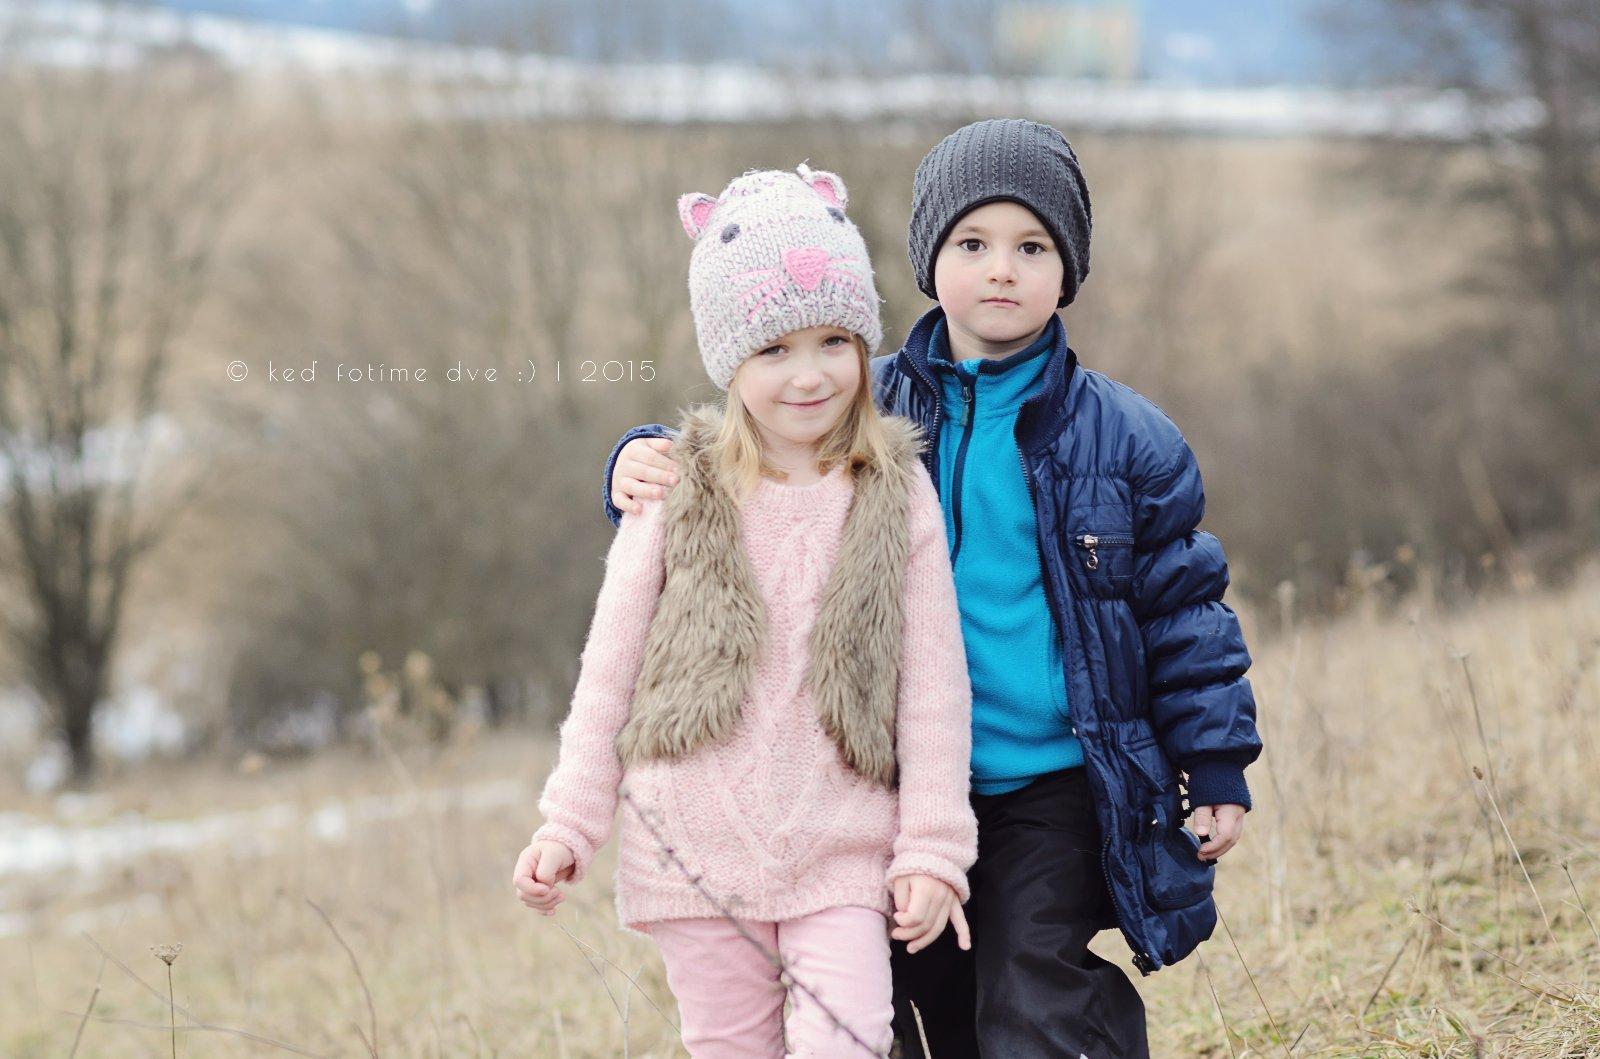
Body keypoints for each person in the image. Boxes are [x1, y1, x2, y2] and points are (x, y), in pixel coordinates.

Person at [601, 119, 1265, 1058]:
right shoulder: (862, 403)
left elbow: (1186, 612)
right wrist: (637, 458)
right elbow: (747, 439)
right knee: (928, 1007)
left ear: (1068, 269)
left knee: (1031, 985)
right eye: (972, 243)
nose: (1001, 270)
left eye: (1032, 247)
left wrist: (1216, 762)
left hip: (1053, 779)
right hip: (894, 785)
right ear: (928, 260)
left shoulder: (1123, 437)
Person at [512, 163, 978, 1059]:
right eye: (773, 350)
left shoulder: (895, 490)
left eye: (833, 341)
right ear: (731, 361)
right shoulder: (676, 487)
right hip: (693, 844)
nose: (809, 375)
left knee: (851, 1036)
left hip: (841, 843)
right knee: (729, 1043)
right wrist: (570, 823)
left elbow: (933, 687)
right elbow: (609, 671)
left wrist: (931, 849)